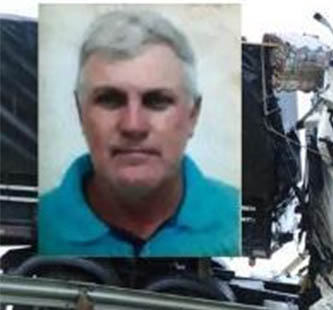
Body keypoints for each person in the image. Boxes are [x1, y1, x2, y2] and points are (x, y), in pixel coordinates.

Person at [38, 9, 239, 257]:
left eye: (157, 101)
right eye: (110, 100)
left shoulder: (234, 220)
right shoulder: (40, 223)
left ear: (192, 116)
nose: (133, 125)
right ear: (81, 113)